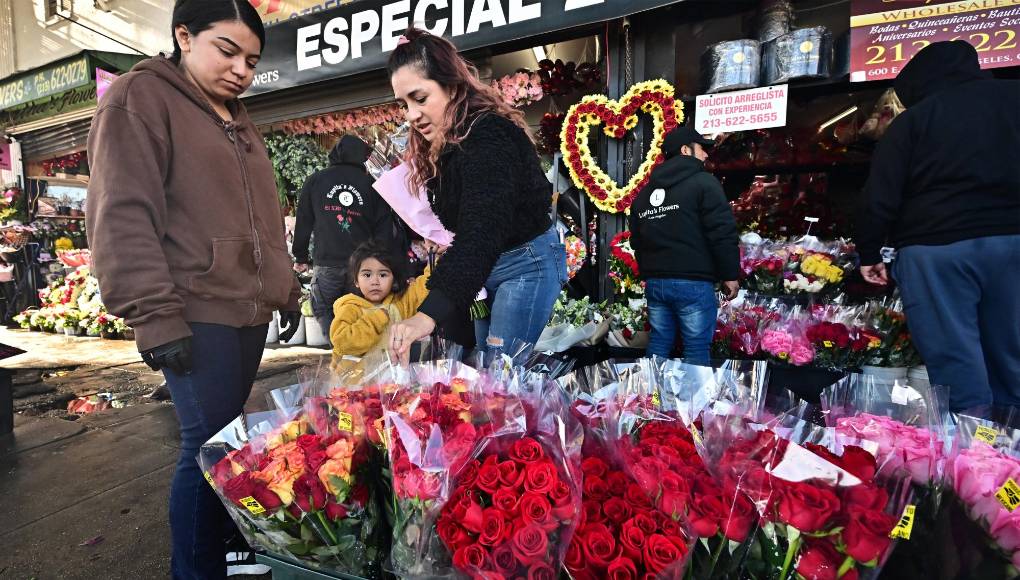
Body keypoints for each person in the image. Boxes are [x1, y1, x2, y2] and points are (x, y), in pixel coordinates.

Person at [85, 1, 302, 577]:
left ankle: (225, 557)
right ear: (184, 35)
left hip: (245, 311)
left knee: (228, 446)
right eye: (226, 50)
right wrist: (153, 315)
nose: (240, 70)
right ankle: (195, 570)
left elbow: (262, 215)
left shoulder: (236, 115)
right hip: (191, 307)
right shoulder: (140, 99)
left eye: (251, 60)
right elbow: (121, 213)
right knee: (206, 448)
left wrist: (283, 288)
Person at [856, 40, 1020, 415]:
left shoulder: (914, 120)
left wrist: (869, 252)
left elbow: (879, 195)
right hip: (1013, 242)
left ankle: (976, 451)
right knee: (1013, 349)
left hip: (937, 250)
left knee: (955, 354)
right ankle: (1013, 445)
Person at [384, 28, 567, 360]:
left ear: (452, 87)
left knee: (500, 376)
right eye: (403, 104)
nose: (411, 115)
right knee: (484, 369)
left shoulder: (490, 135)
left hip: (526, 263)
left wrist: (426, 316)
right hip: (485, 269)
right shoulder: (445, 144)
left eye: (420, 98)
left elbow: (481, 231)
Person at [629, 126, 740, 364]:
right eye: (702, 149)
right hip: (693, 282)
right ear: (685, 149)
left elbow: (637, 241)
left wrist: (651, 270)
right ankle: (693, 402)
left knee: (659, 342)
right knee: (696, 348)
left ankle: (652, 399)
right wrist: (730, 274)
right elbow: (721, 232)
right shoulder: (704, 183)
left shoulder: (644, 195)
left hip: (657, 283)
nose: (706, 155)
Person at [293, 134, 400, 333]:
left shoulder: (315, 181)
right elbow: (383, 229)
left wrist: (300, 255)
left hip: (327, 263)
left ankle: (340, 349)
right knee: (361, 314)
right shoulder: (372, 185)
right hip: (361, 268)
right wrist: (381, 265)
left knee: (324, 310)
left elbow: (304, 221)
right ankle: (360, 354)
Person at [329, 241, 430, 367]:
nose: (375, 281)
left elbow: (426, 285)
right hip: (355, 384)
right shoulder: (350, 308)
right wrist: (376, 319)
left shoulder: (401, 302)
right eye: (367, 275)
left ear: (393, 278)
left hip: (392, 382)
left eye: (383, 275)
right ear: (356, 281)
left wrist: (436, 258)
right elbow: (342, 343)